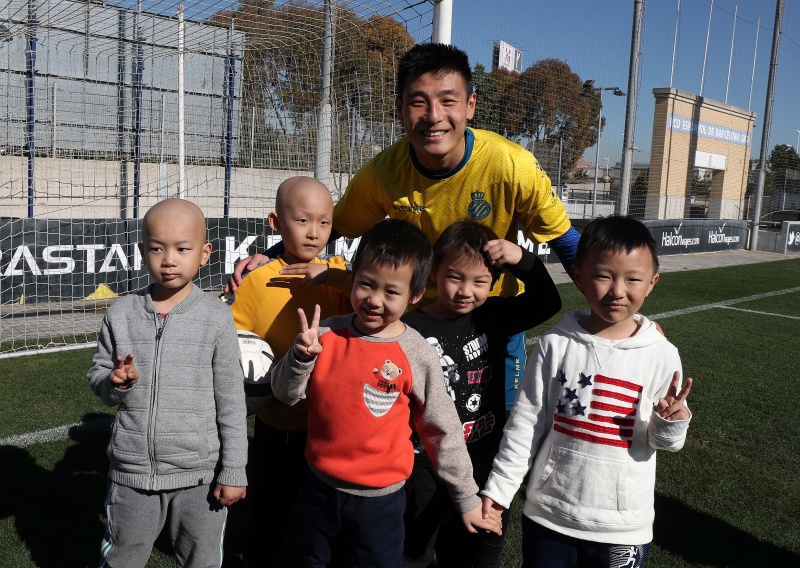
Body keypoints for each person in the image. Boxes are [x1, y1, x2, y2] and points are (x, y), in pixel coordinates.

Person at [226, 42, 581, 408]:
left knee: (493, 426)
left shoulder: (512, 165)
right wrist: (273, 256)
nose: (434, 116)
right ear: (399, 109)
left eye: (448, 101)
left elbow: (568, 245)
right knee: (411, 430)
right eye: (418, 102)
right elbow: (336, 227)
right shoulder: (382, 173)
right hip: (415, 327)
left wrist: (611, 319)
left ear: (470, 105)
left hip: (491, 324)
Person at [270, 219, 502, 567]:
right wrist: (300, 358)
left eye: (391, 292)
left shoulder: (417, 352)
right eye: (366, 284)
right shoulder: (327, 336)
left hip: (381, 501)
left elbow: (442, 428)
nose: (374, 300)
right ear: (354, 277)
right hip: (320, 489)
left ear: (415, 295)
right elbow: (285, 393)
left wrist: (467, 496)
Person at [480, 215, 693, 568]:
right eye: (603, 276)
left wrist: (672, 422)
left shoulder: (663, 354)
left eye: (632, 279)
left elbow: (663, 443)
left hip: (623, 527)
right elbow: (525, 425)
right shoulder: (554, 344)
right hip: (548, 516)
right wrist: (500, 490)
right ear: (578, 276)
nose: (617, 291)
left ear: (652, 283)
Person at [87, 198, 248, 567]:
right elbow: (98, 375)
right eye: (157, 248)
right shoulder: (121, 313)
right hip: (132, 474)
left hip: (199, 477)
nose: (169, 260)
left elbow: (231, 401)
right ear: (142, 251)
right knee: (123, 558)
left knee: (201, 560)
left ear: (204, 253)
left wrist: (234, 469)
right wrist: (115, 382)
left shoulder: (216, 318)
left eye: (182, 249)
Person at [400, 220, 561, 568]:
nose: (465, 291)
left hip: (482, 457)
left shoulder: (495, 316)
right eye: (454, 277)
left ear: (495, 281)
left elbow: (549, 302)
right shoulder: (410, 327)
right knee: (413, 552)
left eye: (479, 282)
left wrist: (523, 260)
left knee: (465, 551)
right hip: (423, 464)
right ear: (434, 272)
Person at [224, 176, 352, 563]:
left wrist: (333, 276)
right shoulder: (256, 280)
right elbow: (230, 341)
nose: (314, 232)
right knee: (270, 511)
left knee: (326, 515)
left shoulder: (341, 275)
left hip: (333, 424)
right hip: (277, 423)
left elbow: (374, 293)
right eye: (302, 220)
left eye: (325, 222)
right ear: (276, 223)